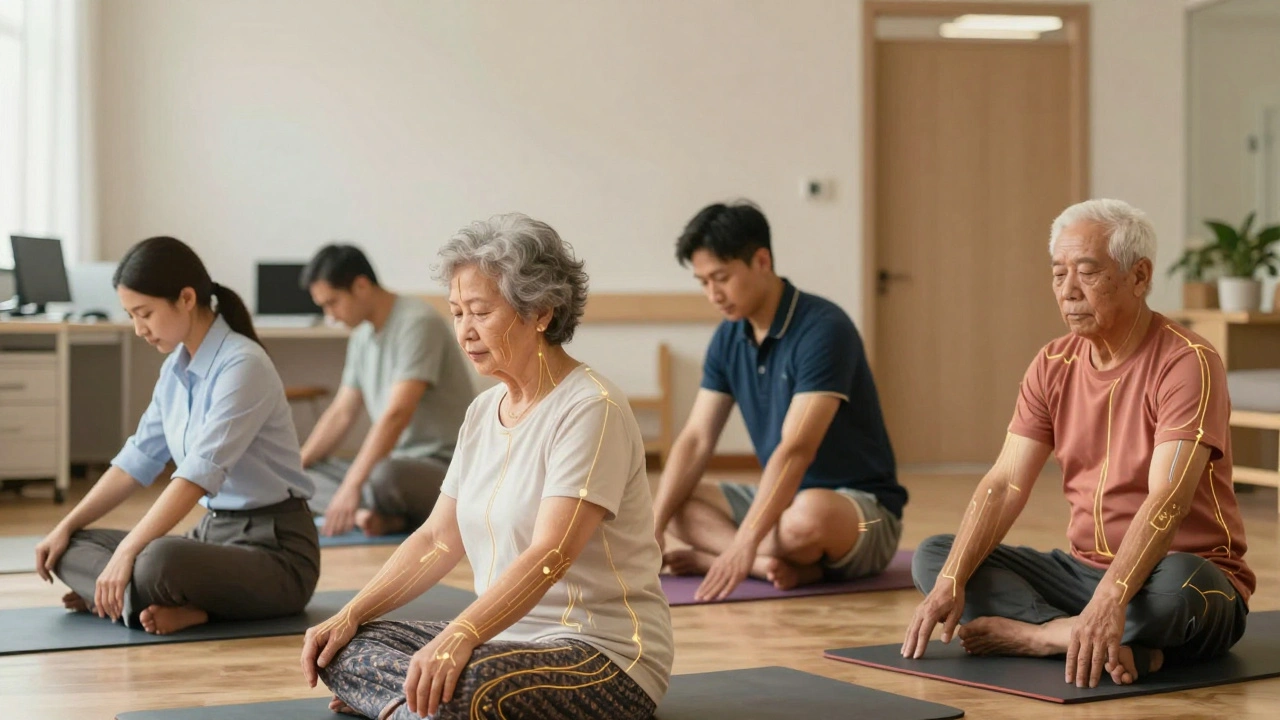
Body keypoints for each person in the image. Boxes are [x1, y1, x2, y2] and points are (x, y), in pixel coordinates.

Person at [301, 214, 673, 720]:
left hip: (602, 653)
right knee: (340, 647)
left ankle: (401, 705)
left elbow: (552, 553)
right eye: (457, 313)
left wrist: (460, 635)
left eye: (480, 311)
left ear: (540, 312)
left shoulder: (591, 408)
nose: (465, 332)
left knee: (468, 686)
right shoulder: (481, 412)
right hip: (500, 639)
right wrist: (351, 613)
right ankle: (413, 707)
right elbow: (436, 539)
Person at [903, 199, 1253, 690]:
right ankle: (1097, 638)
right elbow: (1004, 484)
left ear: (1139, 276)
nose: (1068, 291)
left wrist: (1113, 597)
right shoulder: (1052, 364)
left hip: (1178, 574)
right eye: (1058, 274)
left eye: (1087, 272)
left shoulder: (1187, 361)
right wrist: (951, 579)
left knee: (1180, 592)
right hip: (1081, 573)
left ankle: (1045, 637)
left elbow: (1168, 500)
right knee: (937, 557)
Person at [34, 236, 319, 635]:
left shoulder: (243, 364)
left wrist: (129, 551)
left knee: (156, 560)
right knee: (69, 548)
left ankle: (132, 599)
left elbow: (196, 476)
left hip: (276, 552)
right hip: (212, 536)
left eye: (144, 313)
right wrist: (64, 525)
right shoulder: (175, 370)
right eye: (132, 315)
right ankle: (151, 599)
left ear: (186, 298)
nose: (138, 329)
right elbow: (135, 460)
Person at [651, 201, 906, 602]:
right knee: (674, 498)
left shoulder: (825, 330)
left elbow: (796, 450)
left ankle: (724, 555)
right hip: (780, 502)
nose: (713, 294)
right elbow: (697, 439)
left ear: (762, 260)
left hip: (863, 517)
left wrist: (743, 542)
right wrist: (653, 529)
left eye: (722, 277)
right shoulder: (728, 337)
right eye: (703, 282)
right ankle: (760, 564)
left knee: (809, 516)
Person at [300, 244, 474, 537]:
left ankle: (370, 511)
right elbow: (341, 413)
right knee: (304, 476)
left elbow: (397, 414)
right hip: (394, 461)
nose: (330, 316)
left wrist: (352, 485)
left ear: (361, 285)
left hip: (439, 466)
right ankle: (373, 515)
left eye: (333, 303)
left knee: (383, 477)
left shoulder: (417, 322)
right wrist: (294, 466)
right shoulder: (362, 334)